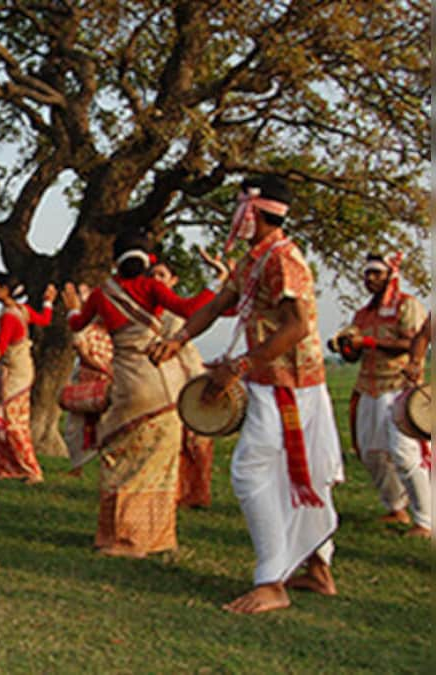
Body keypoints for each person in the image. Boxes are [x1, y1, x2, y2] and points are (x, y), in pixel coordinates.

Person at [150, 175, 343, 614]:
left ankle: (272, 581)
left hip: (289, 387)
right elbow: (219, 305)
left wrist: (237, 367)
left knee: (253, 470)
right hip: (271, 382)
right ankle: (317, 568)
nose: (234, 220)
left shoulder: (281, 260)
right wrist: (178, 339)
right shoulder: (255, 260)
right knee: (298, 477)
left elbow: (298, 326)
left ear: (256, 213)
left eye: (240, 211)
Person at [61, 234, 221, 558]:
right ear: (148, 262)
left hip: (130, 383)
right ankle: (156, 537)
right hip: (166, 384)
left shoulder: (104, 293)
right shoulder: (152, 289)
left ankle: (120, 538)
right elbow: (190, 308)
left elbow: (78, 323)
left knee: (119, 458)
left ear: (114, 260)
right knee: (159, 463)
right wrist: (218, 281)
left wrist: (71, 309)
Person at [338, 253, 429, 536]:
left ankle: (425, 521)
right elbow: (356, 355)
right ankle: (396, 508)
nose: (370, 279)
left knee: (403, 453)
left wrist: (367, 341)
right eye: (367, 274)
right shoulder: (362, 314)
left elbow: (412, 342)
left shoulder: (407, 305)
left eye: (377, 273)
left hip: (399, 387)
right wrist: (347, 348)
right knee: (370, 452)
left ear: (391, 275)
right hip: (369, 387)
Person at [148, 258, 223, 508]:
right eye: (153, 275)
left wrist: (219, 278)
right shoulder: (149, 309)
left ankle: (198, 493)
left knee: (197, 441)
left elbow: (201, 310)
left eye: (161, 275)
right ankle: (177, 492)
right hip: (163, 383)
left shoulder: (176, 310)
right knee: (173, 441)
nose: (156, 280)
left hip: (188, 378)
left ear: (173, 280)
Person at [0, 272, 54, 483]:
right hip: (22, 369)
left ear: (4, 290)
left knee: (12, 422)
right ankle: (2, 467)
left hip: (14, 372)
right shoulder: (21, 310)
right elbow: (45, 319)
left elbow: (1, 348)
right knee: (9, 418)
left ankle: (31, 469)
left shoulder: (8, 317)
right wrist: (48, 302)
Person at [62, 285, 113, 473]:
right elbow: (82, 352)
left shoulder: (115, 329)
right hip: (86, 380)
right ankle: (77, 466)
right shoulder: (85, 327)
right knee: (75, 427)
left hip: (108, 382)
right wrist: (103, 368)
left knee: (108, 424)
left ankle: (109, 461)